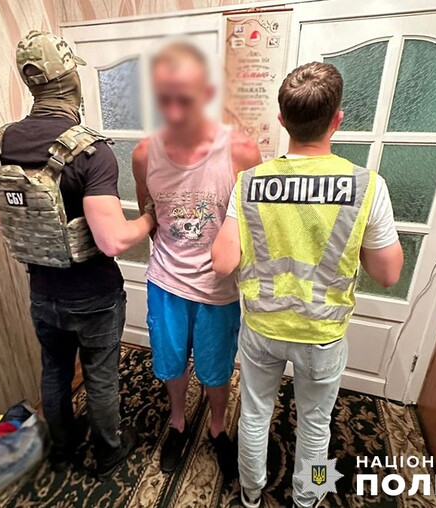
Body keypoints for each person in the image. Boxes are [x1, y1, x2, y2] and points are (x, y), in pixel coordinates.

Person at [212, 62, 404, 507]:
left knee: (255, 415)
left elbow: (222, 262)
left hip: (262, 328)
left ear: (282, 121)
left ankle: (251, 494)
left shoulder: (249, 183)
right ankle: (309, 495)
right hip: (321, 333)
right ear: (337, 119)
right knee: (317, 426)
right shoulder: (367, 187)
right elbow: (389, 273)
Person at [0, 31, 154, 478]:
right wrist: (148, 219)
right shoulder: (89, 150)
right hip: (94, 294)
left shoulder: (0, 145)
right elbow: (112, 240)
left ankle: (62, 452)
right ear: (70, 80)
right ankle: (109, 452)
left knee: (55, 370)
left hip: (42, 289)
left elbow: (6, 221)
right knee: (100, 374)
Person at [132, 41, 262, 477]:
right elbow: (149, 210)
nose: (173, 110)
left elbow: (253, 224)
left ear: (206, 94)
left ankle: (217, 427)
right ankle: (178, 421)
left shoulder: (241, 152)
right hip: (165, 282)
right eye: (164, 98)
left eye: (184, 98)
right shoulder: (144, 154)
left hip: (218, 288)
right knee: (170, 363)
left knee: (216, 368)